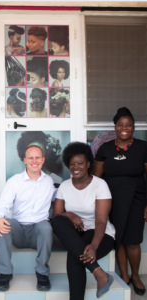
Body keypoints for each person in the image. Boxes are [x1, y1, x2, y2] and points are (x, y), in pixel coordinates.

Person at [93, 107, 147, 296]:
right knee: (119, 238)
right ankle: (124, 275)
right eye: (120, 124)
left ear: (133, 127)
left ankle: (136, 275)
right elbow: (96, 179)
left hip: (136, 198)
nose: (124, 128)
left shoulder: (143, 147)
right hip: (111, 200)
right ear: (115, 127)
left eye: (129, 125)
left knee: (133, 241)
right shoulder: (105, 148)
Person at [51, 142, 115, 300]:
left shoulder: (99, 185)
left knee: (75, 257)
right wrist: (70, 214)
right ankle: (100, 273)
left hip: (100, 234)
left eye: (80, 163)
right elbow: (57, 216)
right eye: (72, 163)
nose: (75, 167)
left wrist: (93, 246)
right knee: (58, 221)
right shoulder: (65, 186)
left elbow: (101, 221)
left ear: (88, 164)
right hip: (76, 233)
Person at [0, 145, 55, 292]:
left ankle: (42, 273)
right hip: (19, 230)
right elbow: (2, 205)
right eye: (30, 158)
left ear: (43, 160)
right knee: (4, 223)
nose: (34, 161)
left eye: (37, 157)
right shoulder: (14, 181)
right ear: (25, 160)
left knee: (46, 226)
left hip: (37, 233)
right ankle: (5, 273)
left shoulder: (49, 181)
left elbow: (62, 197)